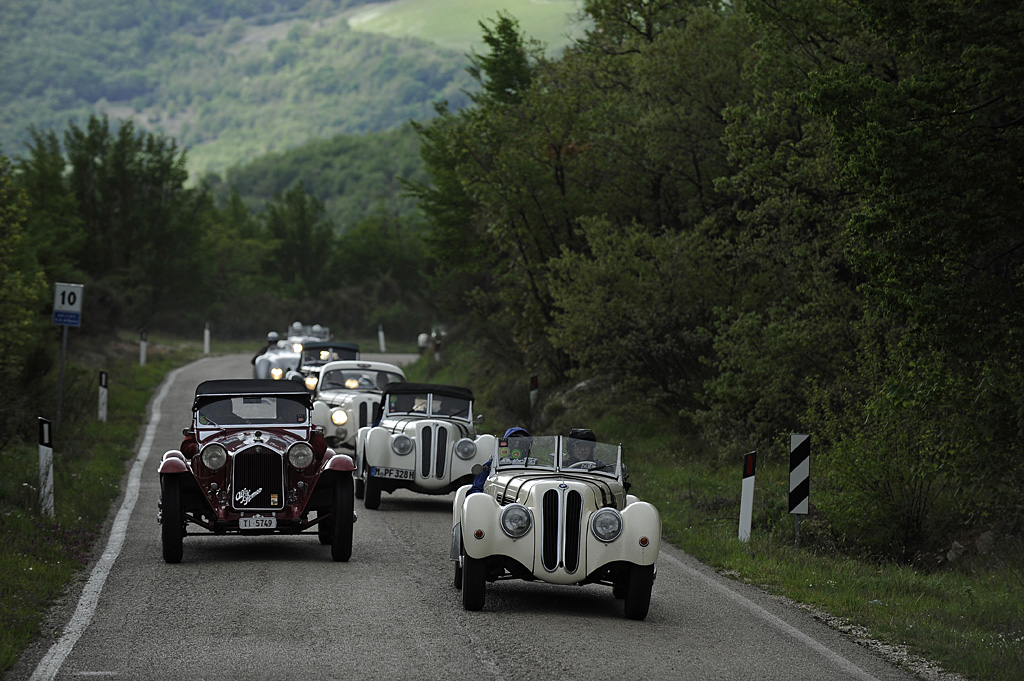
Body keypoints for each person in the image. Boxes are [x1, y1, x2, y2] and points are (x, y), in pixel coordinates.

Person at [469, 426, 529, 494]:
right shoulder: (493, 464)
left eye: (522, 442)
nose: (517, 444)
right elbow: (476, 489)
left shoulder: (533, 464)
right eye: (513, 440)